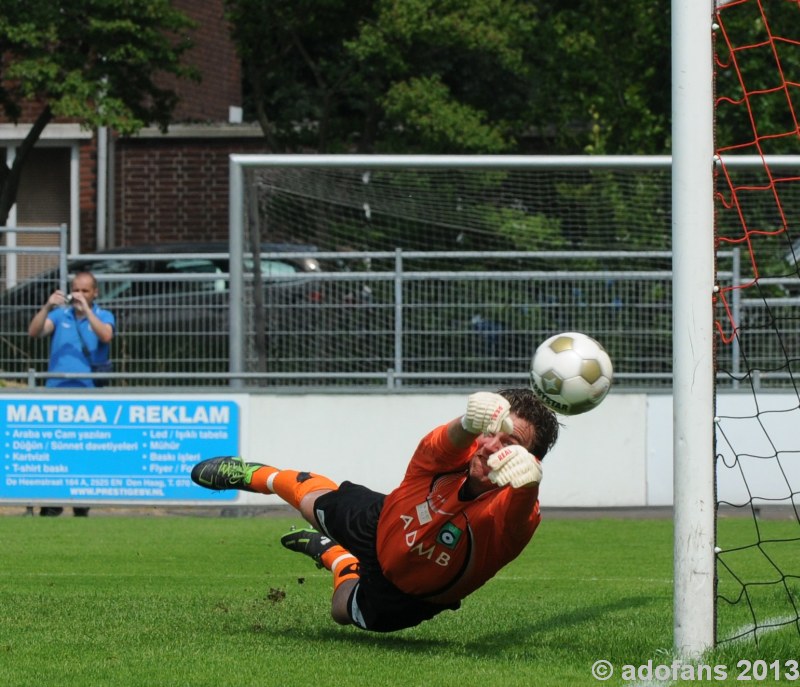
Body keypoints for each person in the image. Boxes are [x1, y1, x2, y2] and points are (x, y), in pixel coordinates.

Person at [191, 388, 560, 632]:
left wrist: (529, 483)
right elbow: (443, 441)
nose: (489, 446)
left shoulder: (513, 511)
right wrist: (467, 422)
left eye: (509, 443)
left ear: (531, 457)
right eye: (489, 432)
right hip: (381, 522)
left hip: (405, 598)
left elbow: (518, 516)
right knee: (315, 500)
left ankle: (337, 559)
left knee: (341, 612)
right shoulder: (452, 456)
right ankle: (255, 474)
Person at [27, 270, 115, 517]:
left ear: (95, 293)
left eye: (85, 291)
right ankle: (52, 503)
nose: (79, 295)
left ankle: (81, 504)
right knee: (56, 449)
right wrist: (46, 307)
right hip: (56, 393)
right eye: (76, 289)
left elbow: (106, 335)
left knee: (84, 449)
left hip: (88, 395)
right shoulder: (59, 315)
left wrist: (86, 310)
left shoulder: (102, 315)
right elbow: (34, 332)